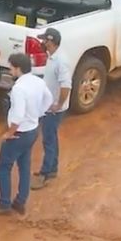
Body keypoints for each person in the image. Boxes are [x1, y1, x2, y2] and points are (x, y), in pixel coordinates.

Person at [0, 52, 52, 217]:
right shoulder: (38, 81)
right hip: (32, 130)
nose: (10, 70)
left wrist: (9, 133)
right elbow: (49, 99)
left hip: (19, 133)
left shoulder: (19, 88)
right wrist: (38, 114)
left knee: (3, 168)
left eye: (11, 67)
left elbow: (18, 114)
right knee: (24, 167)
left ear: (18, 68)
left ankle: (4, 204)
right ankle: (20, 202)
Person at [34, 27, 73, 190]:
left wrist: (58, 104)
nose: (42, 43)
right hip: (50, 106)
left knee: (48, 140)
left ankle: (45, 173)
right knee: (52, 138)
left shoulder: (60, 61)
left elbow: (66, 85)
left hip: (54, 109)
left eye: (44, 40)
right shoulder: (52, 58)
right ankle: (52, 169)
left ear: (50, 41)